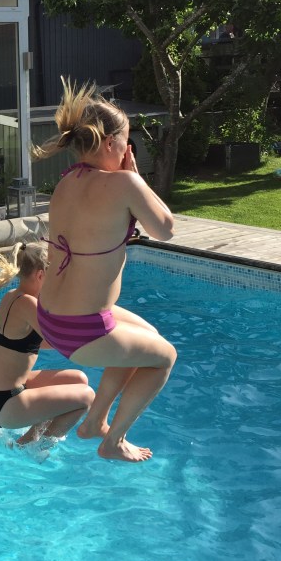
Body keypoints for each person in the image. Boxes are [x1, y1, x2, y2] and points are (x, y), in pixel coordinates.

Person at [34, 79, 177, 462]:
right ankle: (113, 441)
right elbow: (166, 229)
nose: (129, 152)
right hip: (82, 329)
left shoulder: (66, 183)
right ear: (112, 143)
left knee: (148, 338)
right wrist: (136, 177)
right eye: (128, 143)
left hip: (50, 317)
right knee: (165, 357)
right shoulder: (124, 182)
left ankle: (94, 421)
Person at [0, 241, 95, 446]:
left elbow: (34, 343)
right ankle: (38, 447)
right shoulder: (28, 303)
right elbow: (61, 340)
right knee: (86, 397)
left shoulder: (11, 297)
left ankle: (27, 440)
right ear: (41, 275)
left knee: (79, 379)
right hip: (5, 403)